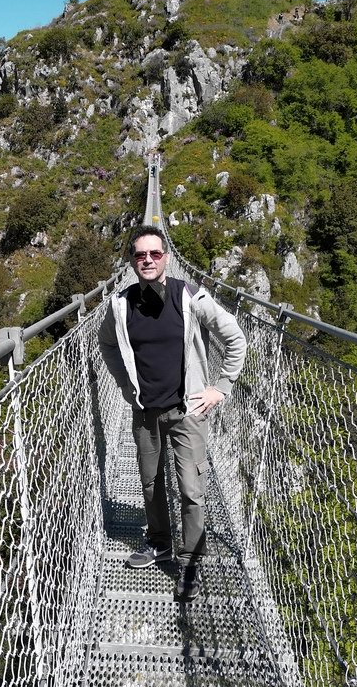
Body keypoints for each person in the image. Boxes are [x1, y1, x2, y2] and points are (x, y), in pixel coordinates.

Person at [98, 225, 247, 600]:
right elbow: (107, 345)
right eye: (140, 255)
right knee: (150, 484)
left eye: (155, 254)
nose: (147, 260)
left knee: (191, 490)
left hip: (187, 411)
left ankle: (191, 562)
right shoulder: (120, 304)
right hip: (145, 412)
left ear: (166, 258)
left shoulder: (190, 296)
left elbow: (235, 338)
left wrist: (220, 388)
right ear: (131, 260)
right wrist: (123, 384)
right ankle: (160, 543)